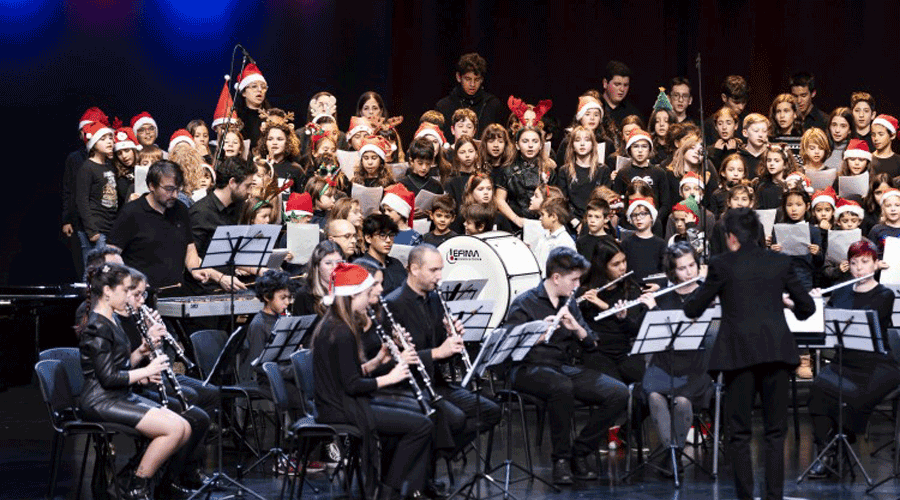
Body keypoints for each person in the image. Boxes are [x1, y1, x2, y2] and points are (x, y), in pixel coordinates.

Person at [683, 208, 815, 500]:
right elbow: (807, 308)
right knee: (775, 432)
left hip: (737, 354)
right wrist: (786, 303)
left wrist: (704, 285)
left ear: (731, 238)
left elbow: (693, 308)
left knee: (740, 433)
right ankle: (774, 497)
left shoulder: (721, 264)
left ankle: (745, 496)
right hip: (776, 352)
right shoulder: (779, 262)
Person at [505, 247, 629, 484]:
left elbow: (592, 344)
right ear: (556, 278)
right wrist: (538, 334)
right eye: (574, 279)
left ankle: (579, 451)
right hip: (527, 368)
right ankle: (560, 460)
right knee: (561, 387)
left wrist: (578, 329)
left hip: (560, 367)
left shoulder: (569, 303)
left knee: (618, 392)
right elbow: (508, 347)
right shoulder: (525, 303)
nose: (577, 284)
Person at [312, 262, 433, 499]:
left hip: (340, 403)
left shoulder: (334, 324)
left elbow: (347, 374)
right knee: (422, 425)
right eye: (366, 294)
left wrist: (377, 361)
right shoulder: (342, 332)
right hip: (341, 409)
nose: (370, 300)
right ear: (353, 296)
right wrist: (390, 377)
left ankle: (392, 485)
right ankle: (390, 490)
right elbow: (352, 385)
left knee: (416, 412)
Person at [77, 263, 191, 500]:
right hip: (100, 400)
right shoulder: (96, 326)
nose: (129, 295)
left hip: (117, 395)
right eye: (126, 289)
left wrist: (141, 351)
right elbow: (108, 378)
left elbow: (119, 365)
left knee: (184, 427)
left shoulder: (112, 320)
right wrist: (146, 370)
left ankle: (125, 481)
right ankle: (135, 487)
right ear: (107, 291)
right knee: (172, 429)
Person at [384, 245, 501, 459]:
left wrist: (451, 338)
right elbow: (393, 361)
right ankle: (424, 463)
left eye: (441, 270)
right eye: (433, 270)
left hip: (436, 382)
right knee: (454, 419)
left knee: (490, 411)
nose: (439, 277)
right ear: (414, 269)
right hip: (409, 387)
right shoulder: (393, 304)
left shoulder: (435, 299)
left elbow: (442, 349)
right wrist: (438, 352)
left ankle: (435, 454)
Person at [806, 240, 897, 478]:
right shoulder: (843, 290)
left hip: (876, 362)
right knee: (818, 388)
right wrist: (817, 303)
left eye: (866, 262)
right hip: (844, 359)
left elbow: (868, 322)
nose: (859, 269)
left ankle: (842, 439)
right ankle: (825, 452)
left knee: (851, 393)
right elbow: (825, 325)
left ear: (876, 264)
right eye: (855, 263)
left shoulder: (885, 295)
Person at [640, 243, 713, 468]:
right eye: (682, 268)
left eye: (692, 265)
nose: (689, 272)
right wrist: (626, 315)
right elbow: (646, 331)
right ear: (673, 272)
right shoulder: (664, 296)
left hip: (696, 365)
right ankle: (671, 452)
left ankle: (674, 455)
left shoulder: (706, 295)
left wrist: (655, 310)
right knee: (653, 395)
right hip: (665, 363)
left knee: (682, 402)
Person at [108, 160, 208, 293]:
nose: (175, 195)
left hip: (176, 294)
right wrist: (131, 283)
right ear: (151, 186)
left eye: (178, 189)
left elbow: (189, 247)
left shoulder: (181, 209)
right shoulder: (131, 213)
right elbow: (111, 256)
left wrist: (195, 269)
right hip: (143, 297)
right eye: (168, 189)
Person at [188, 157, 256, 292]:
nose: (250, 191)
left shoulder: (238, 207)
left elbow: (233, 254)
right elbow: (191, 258)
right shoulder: (200, 212)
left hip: (229, 287)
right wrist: (220, 277)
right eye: (247, 186)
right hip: (204, 291)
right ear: (232, 182)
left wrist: (259, 270)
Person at [76, 122, 119, 264]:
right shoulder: (87, 168)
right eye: (103, 138)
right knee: (95, 270)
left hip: (108, 227)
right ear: (93, 144)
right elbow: (82, 200)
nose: (109, 141)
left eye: (110, 138)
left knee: (108, 270)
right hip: (95, 228)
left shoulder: (109, 166)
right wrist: (91, 230)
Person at [435, 53, 505, 138]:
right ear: (458, 77)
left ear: (482, 79)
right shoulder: (444, 106)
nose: (472, 84)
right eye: (468, 79)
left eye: (477, 79)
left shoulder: (492, 104)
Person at [355, 213, 407, 295]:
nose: (388, 240)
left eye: (391, 235)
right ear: (368, 238)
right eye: (382, 235)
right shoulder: (361, 268)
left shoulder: (396, 263)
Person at [601, 60, 641, 126]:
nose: (622, 89)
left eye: (625, 85)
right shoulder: (593, 108)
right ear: (605, 83)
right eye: (617, 84)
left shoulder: (632, 114)